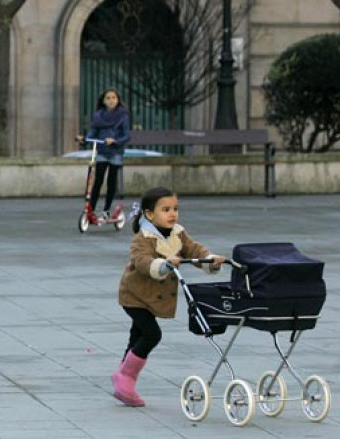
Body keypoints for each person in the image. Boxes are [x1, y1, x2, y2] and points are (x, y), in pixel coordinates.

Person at [112, 187, 225, 407]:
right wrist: (163, 265)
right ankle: (125, 378)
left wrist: (210, 259)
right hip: (134, 295)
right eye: (166, 209)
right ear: (149, 214)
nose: (172, 214)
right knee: (152, 334)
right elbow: (142, 261)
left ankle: (123, 380)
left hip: (152, 296)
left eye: (175, 209)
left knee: (137, 336)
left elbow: (194, 250)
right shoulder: (142, 238)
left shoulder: (178, 234)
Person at [76, 87, 130, 221]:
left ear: (118, 100)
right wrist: (84, 139)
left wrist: (115, 141)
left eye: (114, 98)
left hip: (115, 152)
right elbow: (93, 133)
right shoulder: (98, 115)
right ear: (103, 101)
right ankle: (91, 210)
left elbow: (126, 135)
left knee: (111, 182)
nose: (111, 100)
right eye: (108, 98)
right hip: (101, 151)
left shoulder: (123, 115)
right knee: (97, 181)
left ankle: (106, 210)